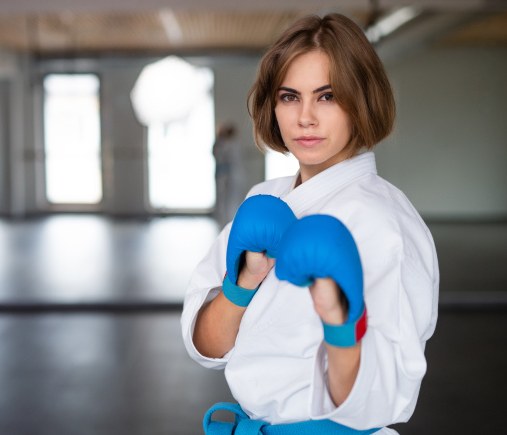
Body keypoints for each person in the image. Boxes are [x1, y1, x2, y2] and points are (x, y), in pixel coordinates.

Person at [181, 13, 439, 435]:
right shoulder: (265, 199)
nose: (305, 118)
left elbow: (379, 398)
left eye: (327, 96)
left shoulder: (383, 223)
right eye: (289, 96)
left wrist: (340, 318)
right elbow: (206, 347)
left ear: (362, 100)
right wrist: (241, 283)